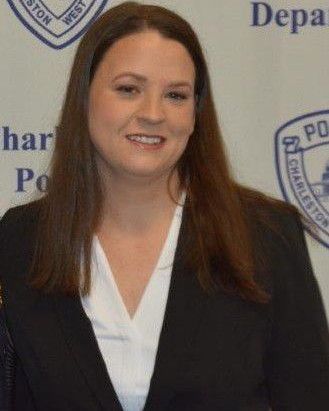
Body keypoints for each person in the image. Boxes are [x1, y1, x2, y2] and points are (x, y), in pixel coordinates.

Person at [0, 2, 329, 410]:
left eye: (175, 95)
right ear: (84, 98)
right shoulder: (19, 240)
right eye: (128, 89)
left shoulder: (267, 236)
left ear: (196, 113)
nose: (153, 114)